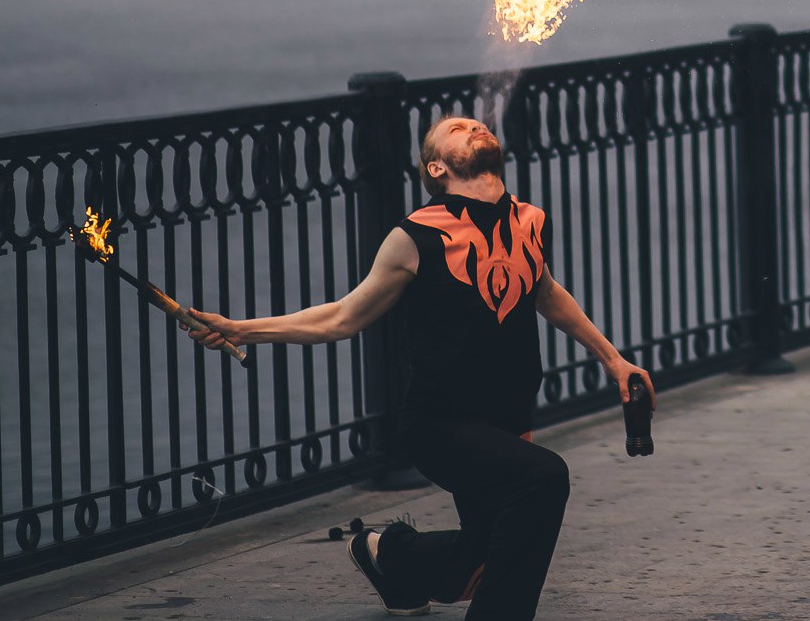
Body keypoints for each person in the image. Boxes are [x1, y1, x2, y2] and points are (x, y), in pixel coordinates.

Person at [183, 115, 651, 620]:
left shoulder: (530, 220)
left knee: (478, 564)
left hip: (510, 420)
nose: (473, 128)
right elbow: (342, 318)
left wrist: (614, 360)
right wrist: (240, 329)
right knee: (544, 479)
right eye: (456, 129)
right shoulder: (417, 235)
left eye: (475, 124)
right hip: (441, 424)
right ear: (437, 166)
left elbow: (545, 291)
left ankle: (387, 554)